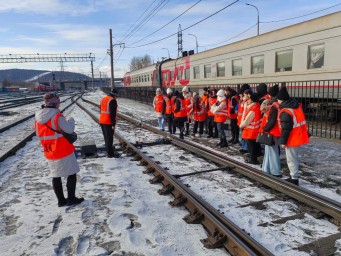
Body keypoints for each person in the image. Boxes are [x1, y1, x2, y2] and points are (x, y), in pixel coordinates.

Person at [34, 93, 84, 207]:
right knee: (71, 173)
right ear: (55, 104)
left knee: (55, 175)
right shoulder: (57, 116)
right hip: (63, 149)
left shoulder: (37, 118)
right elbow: (69, 129)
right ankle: (71, 198)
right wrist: (70, 119)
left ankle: (61, 201)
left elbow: (38, 133)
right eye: (58, 103)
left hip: (49, 150)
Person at [277, 87, 309, 185]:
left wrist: (282, 141)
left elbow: (286, 129)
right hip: (298, 135)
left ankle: (294, 179)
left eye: (278, 99)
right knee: (293, 158)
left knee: (291, 158)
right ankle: (293, 176)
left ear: (281, 100)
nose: (277, 101)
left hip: (292, 138)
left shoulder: (286, 111)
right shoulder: (295, 107)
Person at [259, 85, 282, 177]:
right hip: (272, 131)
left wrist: (265, 129)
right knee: (269, 151)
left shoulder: (274, 106)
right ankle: (267, 169)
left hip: (272, 131)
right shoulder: (274, 105)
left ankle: (275, 171)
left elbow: (272, 121)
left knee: (272, 152)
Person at [239, 92, 262, 164]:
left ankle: (253, 159)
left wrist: (241, 125)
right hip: (253, 130)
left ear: (252, 100)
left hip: (250, 131)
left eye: (248, 99)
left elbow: (247, 120)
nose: (247, 101)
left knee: (251, 146)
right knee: (253, 145)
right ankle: (253, 158)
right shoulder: (255, 107)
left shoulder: (253, 109)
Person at [99, 88, 119, 158]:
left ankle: (108, 151)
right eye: (117, 96)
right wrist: (113, 124)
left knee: (106, 137)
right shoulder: (112, 100)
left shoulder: (104, 99)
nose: (117, 98)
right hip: (108, 122)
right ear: (115, 95)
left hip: (102, 120)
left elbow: (101, 109)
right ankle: (110, 154)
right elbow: (112, 114)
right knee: (110, 138)